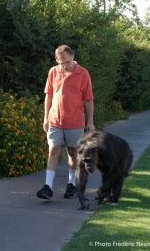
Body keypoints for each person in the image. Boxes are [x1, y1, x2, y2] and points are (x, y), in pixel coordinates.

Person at [37, 45, 95, 200]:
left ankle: (71, 184)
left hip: (75, 121)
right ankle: (47, 187)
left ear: (73, 58)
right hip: (55, 119)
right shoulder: (53, 72)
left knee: (72, 152)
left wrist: (90, 121)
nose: (64, 66)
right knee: (53, 150)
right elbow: (48, 96)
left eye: (67, 62)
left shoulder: (83, 74)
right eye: (61, 63)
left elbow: (89, 99)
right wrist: (45, 118)